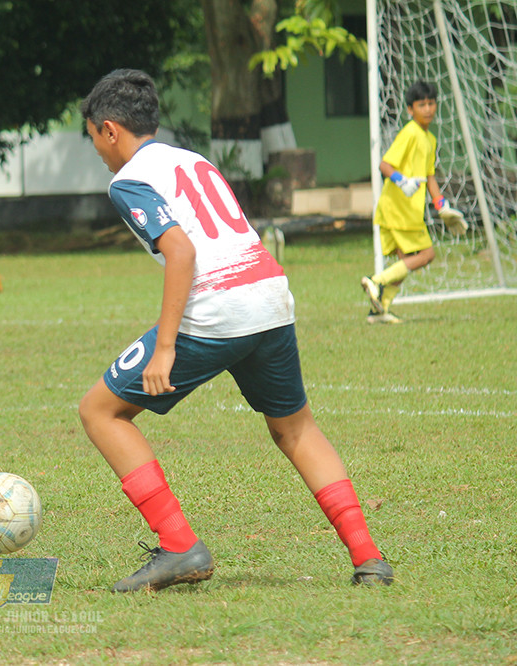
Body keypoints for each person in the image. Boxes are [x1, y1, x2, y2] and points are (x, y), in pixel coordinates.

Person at [77, 69, 393, 592]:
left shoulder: (128, 179)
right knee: (296, 429)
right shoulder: (193, 160)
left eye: (93, 138)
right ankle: (369, 559)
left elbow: (181, 250)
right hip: (270, 297)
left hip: (217, 311)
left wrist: (167, 348)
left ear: (110, 129)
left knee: (100, 410)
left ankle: (180, 547)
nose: (97, 151)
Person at [360, 80, 467, 324]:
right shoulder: (409, 132)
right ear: (410, 109)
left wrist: (442, 207)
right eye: (421, 105)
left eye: (431, 103)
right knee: (427, 254)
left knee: (406, 260)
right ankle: (376, 281)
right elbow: (384, 165)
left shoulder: (430, 139)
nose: (428, 109)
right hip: (399, 207)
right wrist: (401, 180)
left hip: (408, 209)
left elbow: (430, 177)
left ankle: (380, 309)